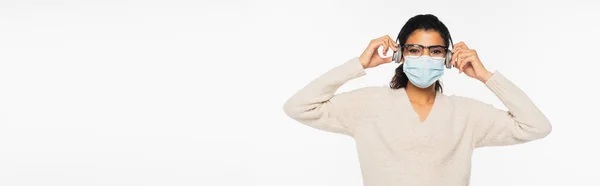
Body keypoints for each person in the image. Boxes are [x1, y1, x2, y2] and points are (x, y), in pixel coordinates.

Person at [282, 14, 552, 186]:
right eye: (415, 49)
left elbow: (536, 126)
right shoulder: (366, 105)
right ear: (400, 55)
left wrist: (485, 76)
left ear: (447, 58)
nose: (424, 57)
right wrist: (359, 63)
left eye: (435, 51)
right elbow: (298, 107)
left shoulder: (466, 114)